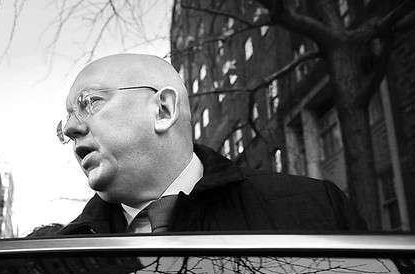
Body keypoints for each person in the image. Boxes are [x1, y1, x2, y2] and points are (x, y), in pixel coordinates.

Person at [56, 53, 366, 234]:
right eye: (66, 119)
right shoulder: (53, 262)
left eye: (89, 103)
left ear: (163, 110)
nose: (71, 128)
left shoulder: (313, 211)